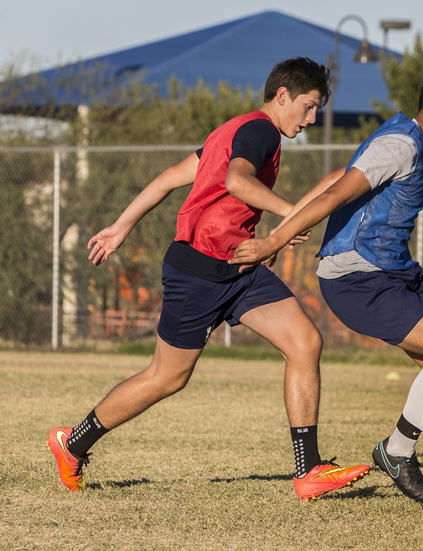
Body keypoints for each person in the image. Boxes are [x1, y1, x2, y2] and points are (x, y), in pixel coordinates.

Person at [47, 57, 370, 501]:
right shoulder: (260, 132)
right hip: (198, 271)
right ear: (283, 97)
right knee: (167, 378)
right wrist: (291, 215)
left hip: (240, 268)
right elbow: (238, 182)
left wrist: (122, 226)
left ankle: (308, 469)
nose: (312, 119)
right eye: (309, 106)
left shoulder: (232, 131)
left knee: (304, 342)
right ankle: (73, 442)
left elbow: (167, 179)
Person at [230, 64, 423, 510]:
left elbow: (334, 177)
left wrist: (283, 228)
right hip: (357, 276)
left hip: (394, 269)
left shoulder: (411, 139)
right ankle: (397, 452)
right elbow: (336, 194)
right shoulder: (400, 145)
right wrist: (274, 239)